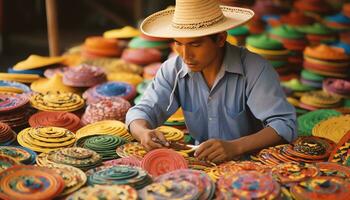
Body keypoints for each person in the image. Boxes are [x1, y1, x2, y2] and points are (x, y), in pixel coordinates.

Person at [126, 0, 297, 163]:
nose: (186, 55)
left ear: (221, 39)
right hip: (199, 160)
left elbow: (284, 125)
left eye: (195, 44)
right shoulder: (173, 70)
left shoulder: (255, 69)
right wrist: (143, 133)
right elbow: (141, 112)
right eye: (178, 43)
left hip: (251, 164)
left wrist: (236, 147)